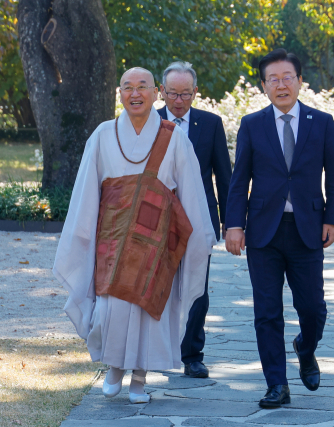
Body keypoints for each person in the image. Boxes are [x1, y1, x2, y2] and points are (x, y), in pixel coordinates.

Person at [53, 67, 216, 404]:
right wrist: (83, 233)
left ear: (156, 93)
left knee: (149, 307)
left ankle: (140, 378)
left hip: (156, 243)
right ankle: (114, 367)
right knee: (112, 307)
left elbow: (190, 192)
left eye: (143, 86)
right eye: (128, 87)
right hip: (112, 240)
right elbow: (86, 191)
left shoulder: (174, 137)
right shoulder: (102, 133)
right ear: (120, 93)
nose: (135, 93)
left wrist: (197, 236)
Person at [225, 49, 334, 408]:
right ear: (263, 86)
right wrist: (234, 224)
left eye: (287, 77)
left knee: (312, 308)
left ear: (299, 81)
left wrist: (332, 219)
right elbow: (239, 179)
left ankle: (305, 349)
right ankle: (277, 384)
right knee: (266, 312)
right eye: (273, 79)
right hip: (263, 231)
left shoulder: (321, 122)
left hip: (308, 228)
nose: (281, 85)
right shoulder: (252, 124)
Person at [157, 61, 232, 379]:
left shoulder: (210, 124)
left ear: (195, 93)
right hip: (155, 221)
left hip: (199, 221)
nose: (178, 100)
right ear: (161, 91)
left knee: (197, 288)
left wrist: (231, 223)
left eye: (185, 94)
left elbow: (224, 176)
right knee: (153, 288)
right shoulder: (147, 122)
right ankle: (154, 352)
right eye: (172, 93)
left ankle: (192, 354)